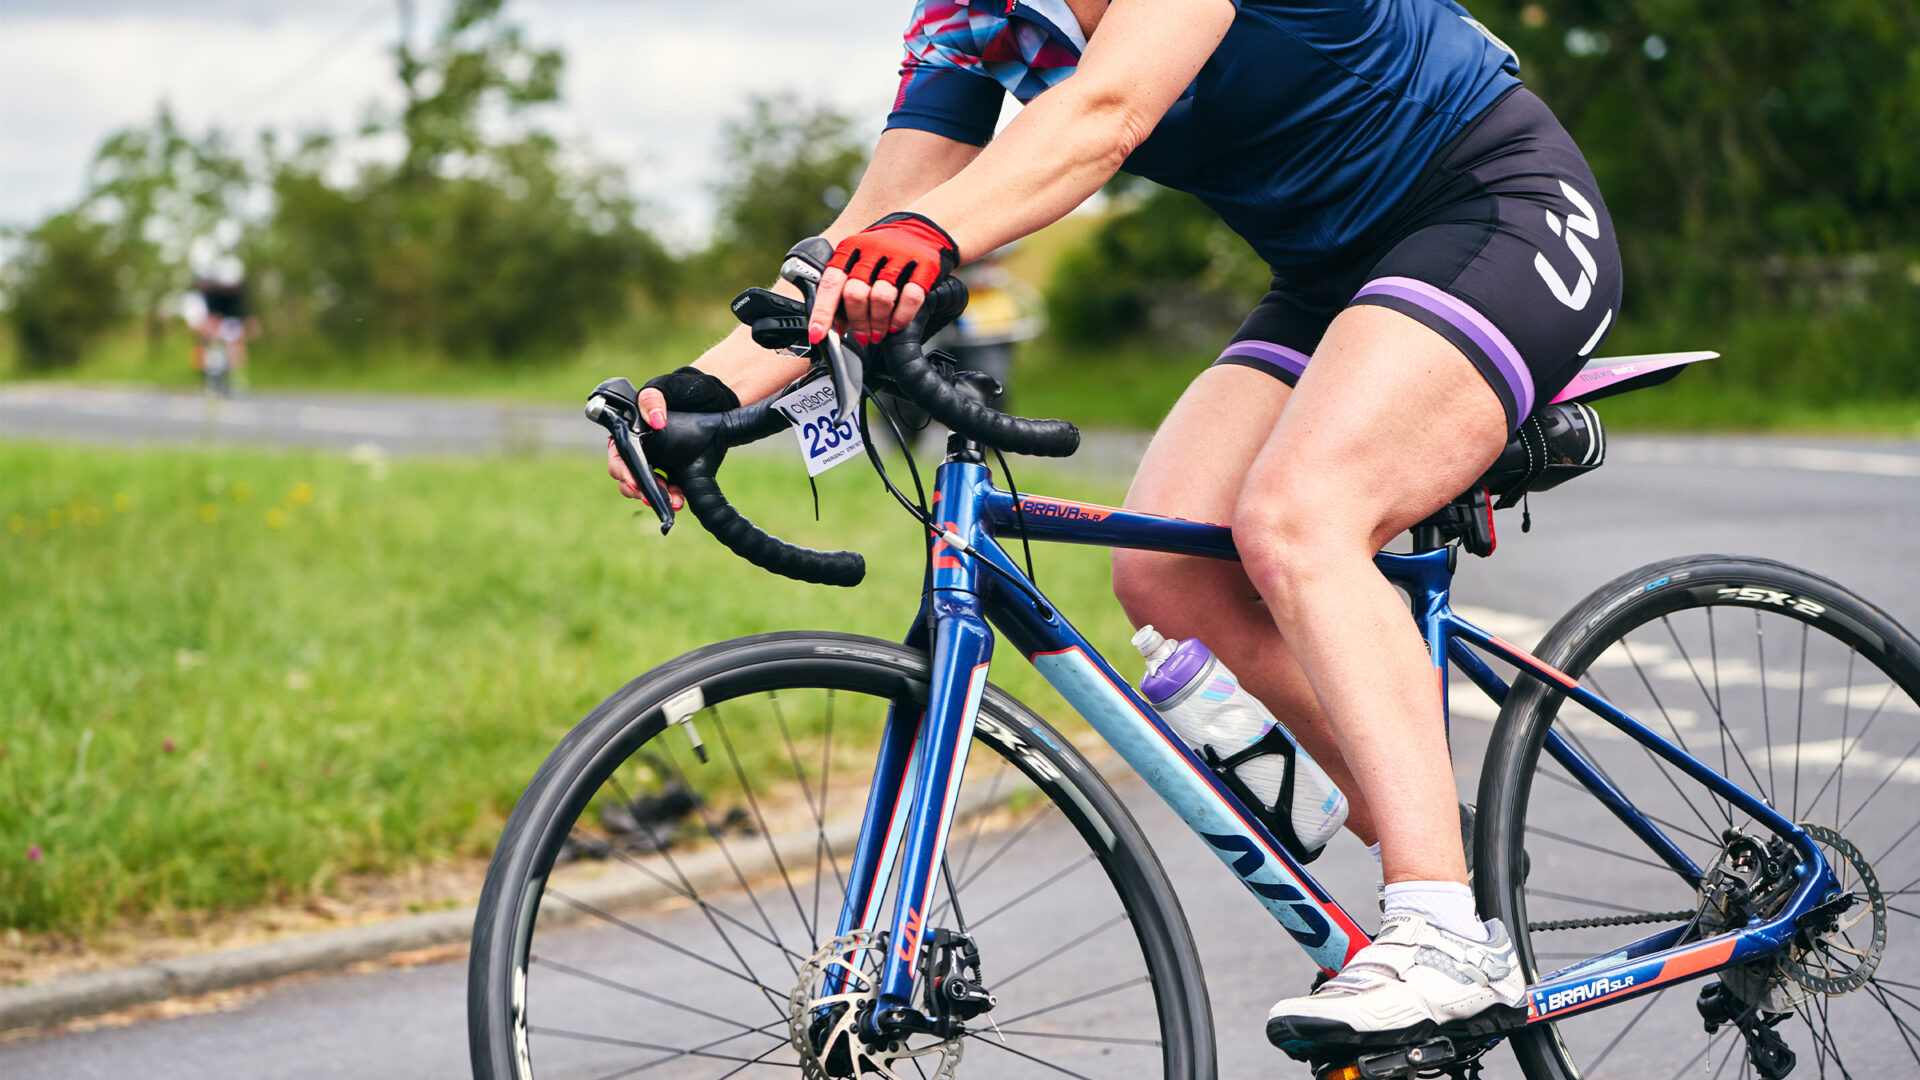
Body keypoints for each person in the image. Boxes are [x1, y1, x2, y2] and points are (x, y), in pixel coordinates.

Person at [610, 0, 1620, 1046]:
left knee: (1300, 519)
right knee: (1163, 571)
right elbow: (878, 213)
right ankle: (1437, 848)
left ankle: (1444, 930)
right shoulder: (970, 16)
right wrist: (700, 397)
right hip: (1329, 279)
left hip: (1495, 209)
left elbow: (1108, 110)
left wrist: (929, 237)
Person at [183, 255, 253, 384]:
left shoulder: (240, 293)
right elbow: (211, 315)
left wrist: (245, 327)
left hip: (232, 323)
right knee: (207, 339)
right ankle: (208, 373)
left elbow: (244, 315)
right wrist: (212, 327)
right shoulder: (213, 293)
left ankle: (235, 374)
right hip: (216, 321)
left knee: (236, 344)